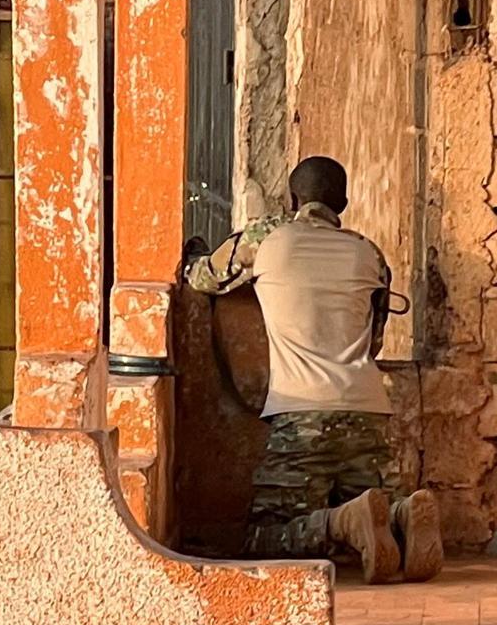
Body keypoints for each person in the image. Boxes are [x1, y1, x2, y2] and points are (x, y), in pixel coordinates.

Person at [184, 156, 442, 584]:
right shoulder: (370, 254)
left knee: (263, 539)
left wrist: (194, 253)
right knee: (366, 501)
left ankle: (341, 524)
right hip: (367, 413)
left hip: (300, 417)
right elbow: (374, 340)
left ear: (292, 199)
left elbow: (203, 278)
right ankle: (400, 516)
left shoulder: (267, 237)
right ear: (342, 201)